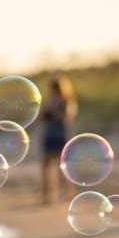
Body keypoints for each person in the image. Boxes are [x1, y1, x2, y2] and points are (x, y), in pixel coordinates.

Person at [40, 75, 77, 203]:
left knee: (62, 167)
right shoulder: (48, 101)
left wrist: (52, 111)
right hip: (49, 135)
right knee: (46, 166)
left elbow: (66, 116)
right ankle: (47, 195)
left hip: (60, 136)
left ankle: (68, 193)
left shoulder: (66, 101)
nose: (51, 91)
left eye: (53, 88)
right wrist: (45, 112)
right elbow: (41, 117)